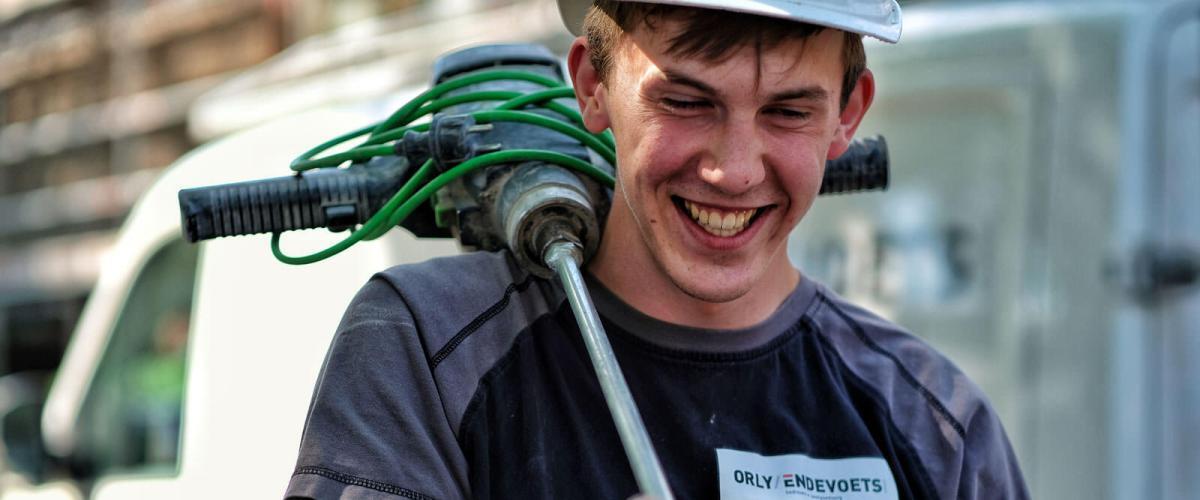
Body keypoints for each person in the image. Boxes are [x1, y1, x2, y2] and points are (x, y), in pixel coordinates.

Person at [285, 1, 1028, 499]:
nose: (734, 171)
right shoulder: (429, 349)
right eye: (684, 101)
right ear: (593, 86)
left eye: (789, 111)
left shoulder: (935, 425)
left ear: (847, 115)